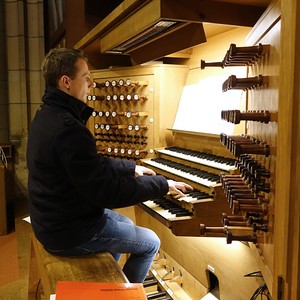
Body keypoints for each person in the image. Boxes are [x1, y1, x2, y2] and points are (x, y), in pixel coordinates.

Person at [26, 48, 193, 283]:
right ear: (66, 82)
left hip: (54, 219)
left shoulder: (47, 115)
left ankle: (108, 282)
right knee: (151, 242)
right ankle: (123, 295)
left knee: (124, 222)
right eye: (86, 77)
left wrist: (130, 168)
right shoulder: (69, 129)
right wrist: (161, 184)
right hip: (67, 232)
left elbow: (88, 163)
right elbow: (108, 193)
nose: (92, 84)